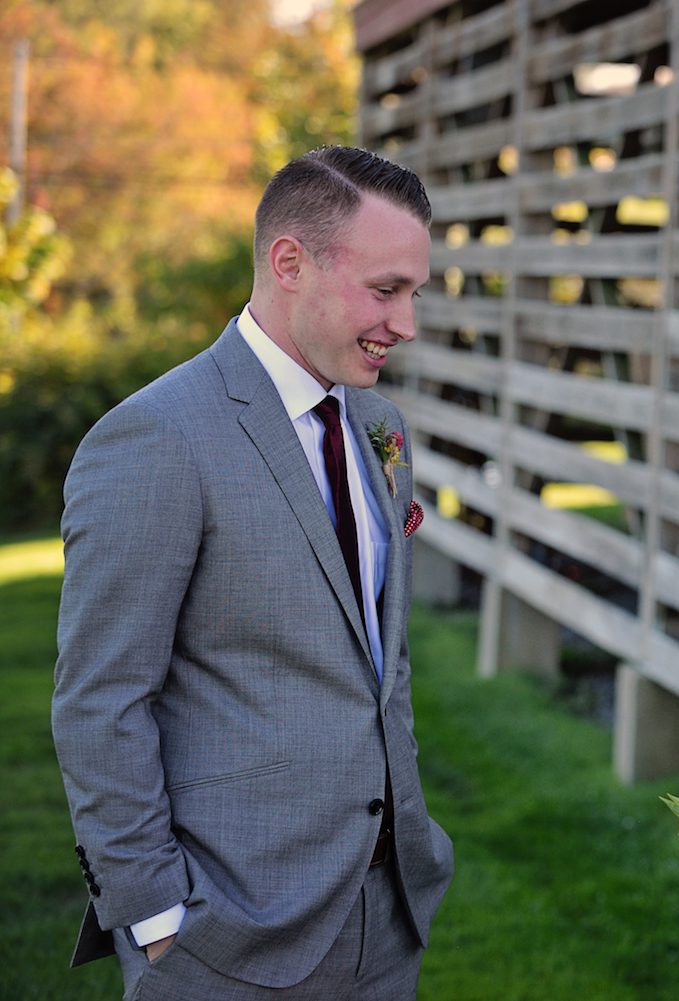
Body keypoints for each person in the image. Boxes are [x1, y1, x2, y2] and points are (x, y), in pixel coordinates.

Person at [52, 145, 453, 1000]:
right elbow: (100, 700)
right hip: (223, 935)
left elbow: (382, 663)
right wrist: (157, 920)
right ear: (289, 262)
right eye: (387, 290)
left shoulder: (382, 427)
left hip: (387, 916)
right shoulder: (158, 438)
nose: (407, 322)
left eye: (414, 292)